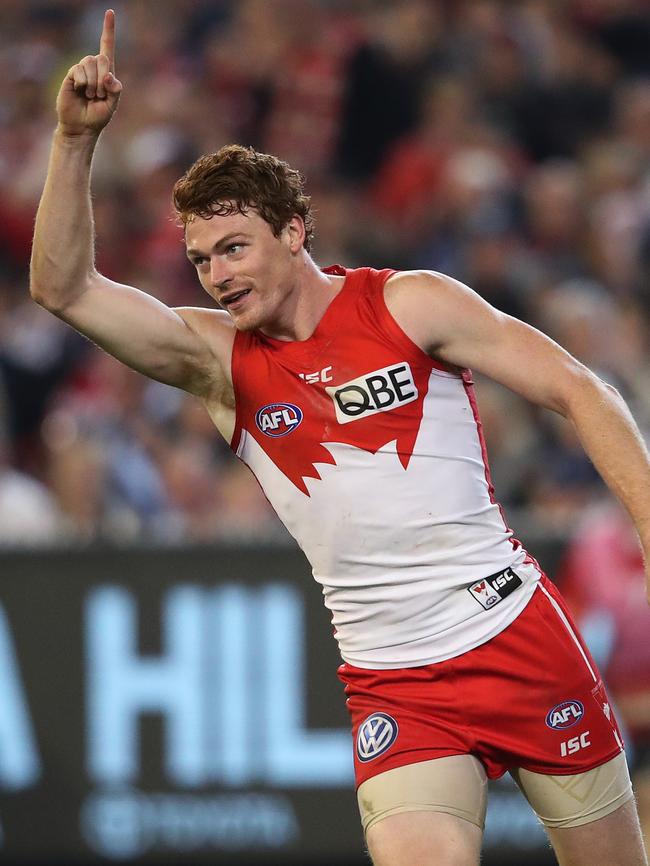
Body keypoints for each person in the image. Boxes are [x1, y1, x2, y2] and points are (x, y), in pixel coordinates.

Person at [30, 11, 650, 866]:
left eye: (236, 247)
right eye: (204, 258)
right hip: (395, 682)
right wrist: (72, 143)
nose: (220, 274)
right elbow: (63, 288)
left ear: (294, 233)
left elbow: (582, 392)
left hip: (518, 637)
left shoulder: (411, 303)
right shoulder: (219, 361)